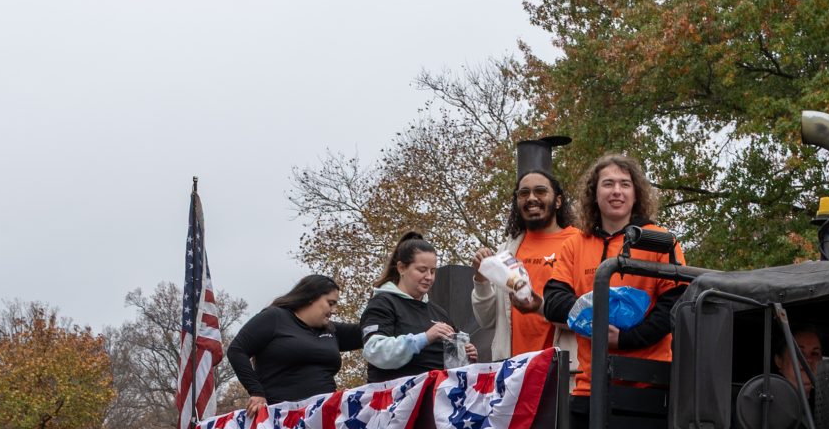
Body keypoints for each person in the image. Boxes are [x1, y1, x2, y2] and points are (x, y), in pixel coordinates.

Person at [543, 152, 687, 396]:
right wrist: (594, 322)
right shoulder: (574, 244)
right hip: (589, 386)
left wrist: (625, 338)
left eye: (625, 184)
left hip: (650, 384)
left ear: (636, 194)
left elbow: (676, 304)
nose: (616, 191)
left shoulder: (661, 241)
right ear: (594, 194)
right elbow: (555, 300)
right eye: (608, 184)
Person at [472, 135, 582, 361]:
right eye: (524, 193)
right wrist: (481, 280)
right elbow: (487, 321)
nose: (531, 198)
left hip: (562, 371)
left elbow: (586, 314)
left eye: (540, 191)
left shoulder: (579, 243)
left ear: (558, 201)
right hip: (512, 374)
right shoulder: (507, 250)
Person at [226, 274, 365, 413]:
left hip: (325, 417)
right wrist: (256, 392)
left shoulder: (332, 330)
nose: (334, 310)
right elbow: (237, 350)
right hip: (284, 420)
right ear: (312, 297)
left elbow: (371, 330)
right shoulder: (275, 317)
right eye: (330, 303)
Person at [359, 233, 476, 382]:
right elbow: (374, 351)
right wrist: (425, 338)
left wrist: (466, 355)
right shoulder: (383, 303)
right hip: (397, 399)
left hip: (439, 396)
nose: (429, 277)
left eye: (433, 271)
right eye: (422, 270)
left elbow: (454, 365)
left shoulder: (439, 312)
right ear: (401, 267)